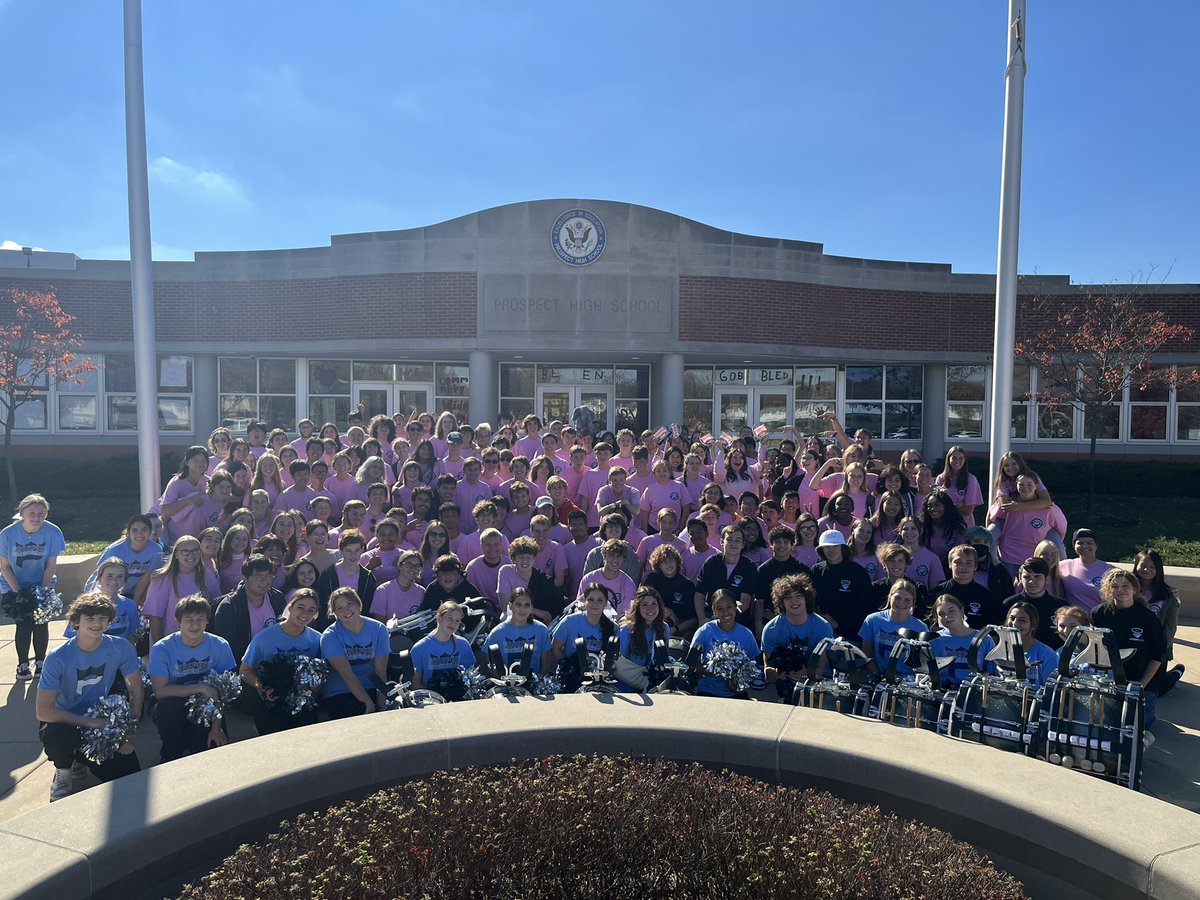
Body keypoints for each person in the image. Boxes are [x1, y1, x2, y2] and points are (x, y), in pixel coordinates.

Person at [37, 594, 143, 801]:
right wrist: (92, 723)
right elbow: (44, 711)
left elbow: (136, 690)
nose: (97, 623)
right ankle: (64, 770)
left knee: (129, 775)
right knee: (57, 735)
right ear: (76, 621)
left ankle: (79, 756)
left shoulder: (121, 647)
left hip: (101, 720)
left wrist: (129, 730)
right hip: (67, 720)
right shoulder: (57, 657)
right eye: (90, 618)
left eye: (102, 618)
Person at [147, 595, 237, 762]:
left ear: (207, 621)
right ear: (178, 621)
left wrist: (216, 728)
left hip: (208, 703)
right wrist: (200, 687)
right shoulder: (162, 648)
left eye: (200, 619)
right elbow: (160, 691)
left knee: (212, 748)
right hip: (172, 701)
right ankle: (171, 754)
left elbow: (223, 693)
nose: (195, 625)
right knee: (168, 710)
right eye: (189, 620)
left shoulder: (220, 645)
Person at [239, 588, 323, 735]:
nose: (305, 614)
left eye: (311, 610)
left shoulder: (317, 639)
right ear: (290, 607)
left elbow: (322, 673)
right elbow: (244, 671)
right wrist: (262, 686)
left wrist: (315, 686)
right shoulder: (263, 638)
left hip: (302, 703)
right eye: (300, 608)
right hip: (272, 702)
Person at [0, 494, 66, 681]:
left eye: (41, 513)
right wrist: (18, 594)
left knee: (40, 623)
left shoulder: (53, 532)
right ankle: (22, 664)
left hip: (41, 583)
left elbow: (51, 564)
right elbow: (4, 566)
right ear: (22, 513)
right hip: (13, 584)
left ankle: (40, 662)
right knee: (23, 624)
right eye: (32, 513)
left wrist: (42, 593)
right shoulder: (7, 534)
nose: (37, 517)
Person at [1092, 569, 1166, 731]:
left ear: (1135, 589)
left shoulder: (1147, 618)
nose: (1121, 590)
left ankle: (1171, 678)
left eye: (1126, 585)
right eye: (1115, 586)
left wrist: (1140, 687)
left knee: (1137, 729)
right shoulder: (1099, 613)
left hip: (1141, 680)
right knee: (1105, 727)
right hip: (1109, 681)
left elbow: (1158, 655)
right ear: (1108, 589)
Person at [761, 572, 834, 701]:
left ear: (806, 599)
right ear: (781, 602)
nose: (793, 601)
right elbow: (768, 673)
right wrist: (781, 674)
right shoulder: (771, 629)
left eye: (798, 596)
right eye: (788, 598)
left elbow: (821, 668)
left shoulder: (823, 627)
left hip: (818, 683)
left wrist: (806, 673)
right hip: (786, 684)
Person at [320, 587, 390, 718]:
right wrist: (368, 703)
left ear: (359, 605)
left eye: (349, 604)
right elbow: (347, 675)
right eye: (339, 608)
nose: (346, 611)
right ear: (334, 613)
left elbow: (380, 671)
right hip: (340, 691)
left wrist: (382, 706)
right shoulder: (330, 636)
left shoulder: (379, 629)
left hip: (371, 687)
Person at [211, 555, 286, 664]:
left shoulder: (277, 598)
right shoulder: (229, 607)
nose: (264, 581)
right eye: (258, 576)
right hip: (243, 664)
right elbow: (226, 648)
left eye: (268, 576)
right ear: (245, 578)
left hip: (274, 661)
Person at [689, 589, 760, 699]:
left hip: (737, 692)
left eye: (729, 607)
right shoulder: (704, 631)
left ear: (736, 607)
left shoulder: (747, 634)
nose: (725, 612)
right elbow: (691, 663)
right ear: (714, 611)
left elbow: (752, 665)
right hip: (708, 691)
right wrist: (713, 669)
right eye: (720, 609)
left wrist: (738, 679)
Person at [141, 536, 211, 643]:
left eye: (195, 551)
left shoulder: (208, 576)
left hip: (200, 642)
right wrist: (159, 646)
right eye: (185, 551)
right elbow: (155, 617)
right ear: (176, 554)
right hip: (170, 641)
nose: (191, 555)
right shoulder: (162, 578)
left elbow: (214, 608)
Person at [1134, 549, 1184, 695]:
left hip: (1157, 646)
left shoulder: (1168, 594)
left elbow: (1170, 627)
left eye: (1152, 567)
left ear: (1159, 569)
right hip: (1135, 644)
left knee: (1157, 690)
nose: (1147, 570)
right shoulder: (1128, 589)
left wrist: (1160, 648)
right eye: (1143, 565)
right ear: (1136, 565)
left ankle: (1177, 672)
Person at [808, 530, 873, 641]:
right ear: (822, 550)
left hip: (851, 636)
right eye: (827, 546)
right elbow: (810, 600)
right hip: (821, 633)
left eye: (835, 546)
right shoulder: (816, 570)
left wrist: (838, 623)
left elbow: (866, 606)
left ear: (842, 548)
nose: (831, 550)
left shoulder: (858, 572)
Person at [694, 525, 758, 633]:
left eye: (738, 540)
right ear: (722, 542)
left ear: (743, 545)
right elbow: (699, 594)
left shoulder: (749, 567)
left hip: (738, 619)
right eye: (729, 539)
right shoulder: (711, 563)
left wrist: (724, 619)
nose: (733, 543)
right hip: (710, 615)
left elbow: (745, 602)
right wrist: (702, 620)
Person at [82, 513, 163, 598]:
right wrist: (89, 596)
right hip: (110, 591)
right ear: (128, 533)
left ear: (150, 531)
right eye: (135, 530)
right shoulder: (114, 550)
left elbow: (146, 579)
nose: (139, 534)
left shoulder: (156, 550)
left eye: (144, 529)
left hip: (136, 593)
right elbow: (98, 575)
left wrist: (134, 604)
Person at [64, 558, 140, 645]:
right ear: (99, 578)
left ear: (125, 580)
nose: (114, 581)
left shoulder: (129, 605)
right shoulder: (84, 604)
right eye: (109, 576)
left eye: (120, 576)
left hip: (119, 655)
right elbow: (72, 640)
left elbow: (130, 638)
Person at [859, 579, 924, 676]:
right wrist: (876, 675)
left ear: (913, 603)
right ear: (890, 597)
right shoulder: (872, 620)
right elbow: (866, 655)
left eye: (907, 600)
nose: (901, 603)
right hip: (879, 677)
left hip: (908, 681)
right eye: (897, 598)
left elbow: (922, 663)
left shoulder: (920, 627)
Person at [410, 601, 478, 692]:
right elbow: (415, 684)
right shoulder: (419, 648)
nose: (453, 623)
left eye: (457, 620)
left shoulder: (463, 644)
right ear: (438, 617)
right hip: (431, 700)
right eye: (450, 618)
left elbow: (472, 678)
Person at [932, 544, 1004, 630]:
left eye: (968, 563)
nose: (963, 567)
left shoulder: (986, 596)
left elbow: (992, 630)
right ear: (950, 564)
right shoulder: (937, 593)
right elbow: (931, 627)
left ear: (975, 566)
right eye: (958, 562)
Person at [928, 593, 993, 688]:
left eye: (951, 611)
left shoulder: (984, 639)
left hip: (975, 695)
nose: (947, 617)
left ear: (961, 610)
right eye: (941, 614)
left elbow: (992, 674)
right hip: (943, 695)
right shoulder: (935, 640)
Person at [484, 588, 553, 675]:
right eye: (518, 604)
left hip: (534, 684)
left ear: (532, 607)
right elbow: (489, 663)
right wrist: (503, 682)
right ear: (510, 606)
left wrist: (538, 684)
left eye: (527, 605)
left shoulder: (542, 630)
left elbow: (545, 666)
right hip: (506, 684)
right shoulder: (497, 633)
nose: (523, 609)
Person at [614, 586, 671, 692]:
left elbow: (664, 657)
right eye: (645, 605)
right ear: (637, 608)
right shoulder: (626, 630)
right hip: (628, 684)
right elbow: (619, 664)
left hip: (654, 684)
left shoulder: (664, 628)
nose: (650, 609)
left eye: (654, 604)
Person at [1002, 557, 1063, 648]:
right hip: (1017, 657)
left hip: (1053, 659)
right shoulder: (1009, 604)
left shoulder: (1060, 607)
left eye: (1037, 576)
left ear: (1047, 579)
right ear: (1019, 578)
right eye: (1027, 577)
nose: (1031, 581)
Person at [1057, 529, 1115, 612]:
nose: (1084, 546)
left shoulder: (1110, 570)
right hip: (1074, 619)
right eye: (1080, 543)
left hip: (1100, 618)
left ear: (1096, 545)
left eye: (1089, 543)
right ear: (1074, 546)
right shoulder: (1064, 565)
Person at [1004, 601, 1058, 689]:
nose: (1015, 624)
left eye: (1022, 620)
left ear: (1033, 625)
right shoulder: (1000, 650)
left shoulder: (1047, 654)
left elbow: (1050, 691)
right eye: (1012, 618)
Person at [935, 446, 984, 525]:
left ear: (965, 460)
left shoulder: (971, 480)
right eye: (954, 458)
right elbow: (936, 507)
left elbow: (968, 511)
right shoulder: (940, 479)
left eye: (961, 458)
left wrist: (947, 504)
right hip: (943, 525)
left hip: (963, 526)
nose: (957, 461)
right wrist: (958, 505)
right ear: (948, 459)